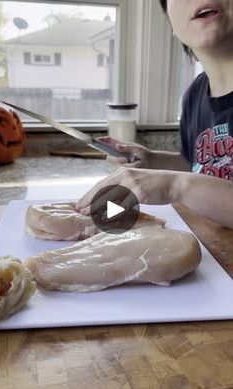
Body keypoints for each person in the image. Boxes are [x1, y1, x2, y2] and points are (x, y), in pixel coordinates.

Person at [76, 0, 233, 229]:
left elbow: (187, 181)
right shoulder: (195, 94)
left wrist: (175, 185)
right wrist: (152, 160)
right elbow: (196, 164)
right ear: (172, 24)